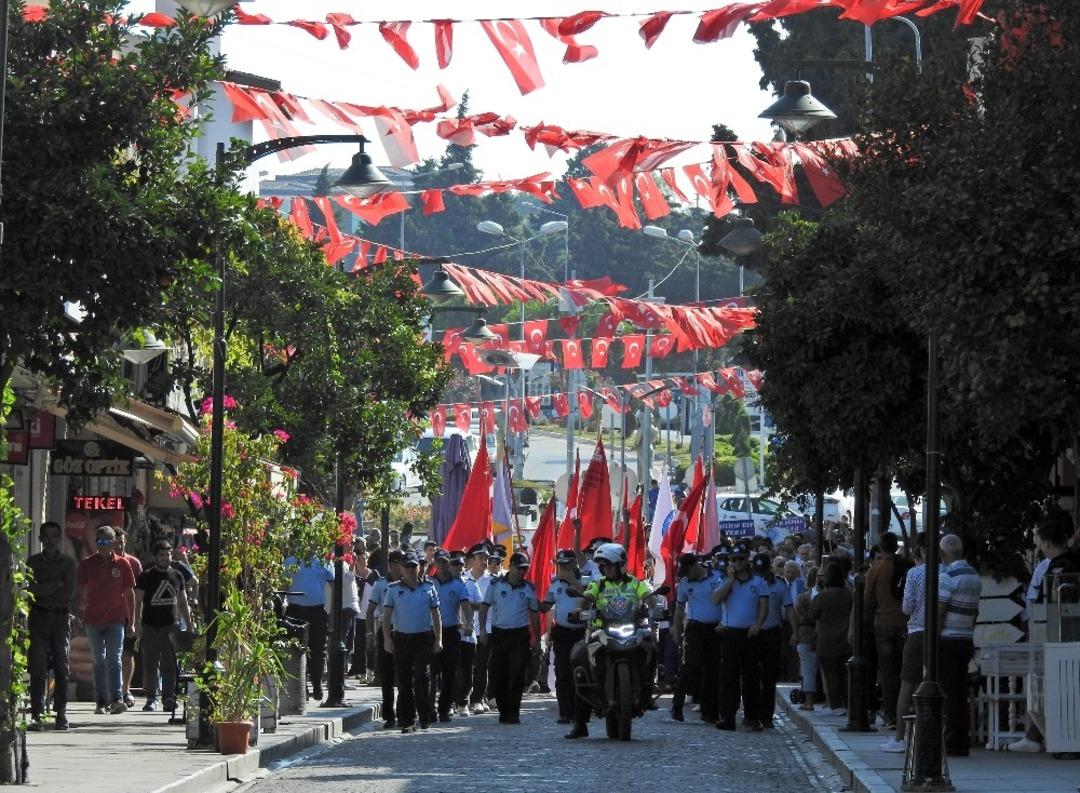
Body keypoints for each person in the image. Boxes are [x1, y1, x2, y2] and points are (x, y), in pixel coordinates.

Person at [565, 542, 654, 739]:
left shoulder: (636, 583)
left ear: (620, 564)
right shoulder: (598, 585)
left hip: (631, 629)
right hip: (602, 631)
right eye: (603, 566)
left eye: (609, 565)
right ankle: (580, 723)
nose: (606, 569)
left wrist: (656, 607)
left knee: (651, 647)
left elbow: (649, 597)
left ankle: (649, 687)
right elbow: (585, 599)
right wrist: (579, 610)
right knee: (579, 659)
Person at [76, 525, 136, 714]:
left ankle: (117, 699)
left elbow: (129, 594)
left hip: (115, 619)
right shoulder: (87, 564)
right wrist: (79, 614)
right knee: (99, 660)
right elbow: (79, 592)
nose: (102, 546)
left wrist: (132, 622)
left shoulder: (123, 565)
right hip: (93, 619)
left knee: (114, 659)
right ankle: (101, 701)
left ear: (113, 543)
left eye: (106, 542)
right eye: (99, 542)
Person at [382, 551, 441, 734]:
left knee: (422, 678)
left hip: (423, 638)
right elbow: (386, 617)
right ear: (401, 568)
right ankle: (407, 719)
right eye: (407, 566)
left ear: (419, 567)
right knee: (404, 681)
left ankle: (425, 716)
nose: (410, 570)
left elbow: (436, 615)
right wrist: (387, 639)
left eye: (413, 566)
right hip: (402, 639)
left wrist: (439, 639)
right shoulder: (393, 589)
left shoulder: (429, 588)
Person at [27, 520, 77, 730]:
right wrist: (53, 586)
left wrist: (43, 589)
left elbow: (68, 593)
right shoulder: (33, 563)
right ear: (40, 539)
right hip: (38, 618)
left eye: (54, 536)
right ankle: (37, 714)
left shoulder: (68, 564)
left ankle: (61, 713)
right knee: (37, 667)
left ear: (59, 538)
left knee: (61, 666)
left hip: (60, 619)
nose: (50, 541)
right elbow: (30, 591)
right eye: (46, 537)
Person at [479, 552, 539, 725]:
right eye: (519, 568)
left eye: (525, 569)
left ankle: (514, 712)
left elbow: (534, 615)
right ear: (511, 566)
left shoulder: (528, 588)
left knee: (518, 674)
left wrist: (535, 638)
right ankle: (504, 711)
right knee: (500, 674)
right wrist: (483, 630)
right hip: (499, 634)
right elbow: (484, 608)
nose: (522, 572)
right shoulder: (496, 585)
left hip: (520, 634)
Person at [713, 543, 768, 731]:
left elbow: (763, 605)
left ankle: (752, 716)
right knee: (729, 676)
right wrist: (730, 580)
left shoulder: (758, 582)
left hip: (750, 634)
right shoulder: (725, 581)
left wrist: (758, 624)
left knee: (752, 676)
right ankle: (727, 716)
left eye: (740, 559)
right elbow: (716, 599)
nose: (737, 563)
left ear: (747, 560)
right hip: (731, 633)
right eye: (733, 560)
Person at [936, 534, 981, 756]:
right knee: (960, 690)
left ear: (944, 553)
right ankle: (961, 739)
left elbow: (940, 609)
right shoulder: (974, 575)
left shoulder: (948, 575)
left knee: (949, 691)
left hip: (948, 638)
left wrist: (932, 636)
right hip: (965, 637)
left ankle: (953, 740)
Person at [134, 540, 191, 712]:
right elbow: (137, 602)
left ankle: (168, 698)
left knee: (170, 665)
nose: (165, 558)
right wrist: (137, 623)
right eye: (161, 555)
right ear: (156, 557)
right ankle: (151, 698)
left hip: (171, 626)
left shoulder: (177, 575)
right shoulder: (146, 576)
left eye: (167, 554)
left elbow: (183, 601)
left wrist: (189, 624)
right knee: (150, 664)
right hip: (150, 626)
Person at [881, 545, 926, 753]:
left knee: (907, 684)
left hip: (917, 630)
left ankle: (900, 737)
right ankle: (925, 734)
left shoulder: (915, 573)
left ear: (918, 556)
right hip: (941, 634)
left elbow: (907, 606)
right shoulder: (946, 572)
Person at [670, 552, 724, 725]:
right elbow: (679, 610)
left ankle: (710, 712)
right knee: (691, 665)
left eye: (687, 571)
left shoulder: (717, 577)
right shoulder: (685, 584)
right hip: (695, 628)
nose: (685, 575)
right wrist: (677, 632)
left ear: (695, 566)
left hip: (715, 628)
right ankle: (677, 706)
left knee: (712, 670)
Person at [865, 532, 910, 729]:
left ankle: (892, 714)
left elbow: (868, 600)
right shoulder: (907, 567)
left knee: (888, 671)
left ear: (881, 548)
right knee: (905, 671)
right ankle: (904, 713)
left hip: (882, 624)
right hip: (904, 622)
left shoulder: (875, 571)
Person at [538, 549, 584, 724]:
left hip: (581, 632)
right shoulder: (555, 583)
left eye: (566, 564)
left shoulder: (584, 579)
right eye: (560, 565)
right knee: (562, 672)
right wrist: (534, 603)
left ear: (574, 564)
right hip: (562, 633)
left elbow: (589, 595)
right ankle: (565, 712)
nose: (562, 568)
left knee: (580, 672)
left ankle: (579, 712)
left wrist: (571, 579)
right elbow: (546, 605)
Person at [283, 555, 334, 701]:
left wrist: (332, 616)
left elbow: (334, 589)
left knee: (317, 649)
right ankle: (302, 686)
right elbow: (283, 587)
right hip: (295, 611)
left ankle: (317, 682)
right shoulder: (290, 562)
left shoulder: (324, 562)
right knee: (297, 649)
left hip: (317, 611)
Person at [753, 552, 794, 729]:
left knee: (770, 677)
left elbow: (789, 608)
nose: (760, 574)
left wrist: (795, 630)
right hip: (752, 634)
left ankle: (767, 715)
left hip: (771, 633)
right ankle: (752, 714)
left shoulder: (780, 585)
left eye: (763, 570)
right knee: (752, 676)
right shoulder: (750, 584)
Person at [431, 549, 470, 722]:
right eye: (438, 561)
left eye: (444, 561)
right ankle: (429, 708)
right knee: (430, 673)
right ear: (434, 563)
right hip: (430, 634)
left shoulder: (458, 585)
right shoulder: (428, 583)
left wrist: (469, 624)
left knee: (449, 673)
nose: (441, 565)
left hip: (451, 632)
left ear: (449, 563)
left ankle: (445, 709)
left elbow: (466, 606)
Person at [810, 561, 853, 715]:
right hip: (845, 638)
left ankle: (835, 705)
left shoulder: (823, 596)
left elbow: (812, 615)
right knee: (845, 674)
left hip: (826, 639)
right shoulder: (849, 593)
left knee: (830, 674)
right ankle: (848, 703)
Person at [367, 549, 403, 728]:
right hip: (386, 630)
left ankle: (405, 712)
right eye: (400, 563)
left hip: (405, 630)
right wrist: (370, 634)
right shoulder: (381, 584)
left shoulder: (409, 584)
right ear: (392, 565)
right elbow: (370, 611)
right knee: (387, 676)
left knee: (405, 674)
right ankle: (389, 715)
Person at [114, 530, 143, 709]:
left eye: (121, 542)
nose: (119, 545)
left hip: (127, 616)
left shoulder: (134, 563)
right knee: (109, 656)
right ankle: (112, 691)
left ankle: (125, 690)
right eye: (116, 542)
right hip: (107, 616)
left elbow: (140, 594)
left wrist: (137, 620)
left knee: (126, 654)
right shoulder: (101, 562)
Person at [463, 543, 492, 714]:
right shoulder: (463, 579)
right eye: (480, 558)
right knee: (465, 667)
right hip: (465, 630)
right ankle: (462, 699)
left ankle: (478, 699)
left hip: (485, 629)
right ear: (472, 560)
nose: (484, 561)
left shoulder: (492, 581)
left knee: (482, 666)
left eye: (486, 558)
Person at [451, 550, 480, 717]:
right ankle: (451, 700)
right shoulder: (443, 584)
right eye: (455, 564)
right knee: (451, 669)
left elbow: (480, 605)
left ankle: (463, 702)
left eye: (461, 564)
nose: (458, 568)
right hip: (451, 632)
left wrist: (467, 602)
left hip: (467, 633)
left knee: (467, 669)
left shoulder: (470, 583)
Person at [791, 566, 820, 711]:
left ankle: (809, 701)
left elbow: (798, 615)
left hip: (807, 635)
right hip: (818, 635)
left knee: (808, 670)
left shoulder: (803, 597)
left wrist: (795, 633)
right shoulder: (810, 596)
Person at [350, 545, 380, 682]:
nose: (363, 561)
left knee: (372, 645)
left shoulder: (374, 575)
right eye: (360, 559)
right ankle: (361, 672)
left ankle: (371, 672)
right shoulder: (352, 575)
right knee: (359, 645)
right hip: (357, 615)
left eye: (365, 558)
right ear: (356, 560)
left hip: (372, 615)